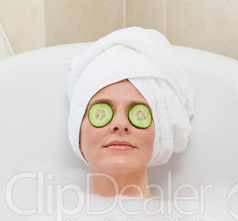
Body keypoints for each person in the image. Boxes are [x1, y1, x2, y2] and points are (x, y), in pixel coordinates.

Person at [68, 26, 194, 198]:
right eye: (101, 113)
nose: (120, 124)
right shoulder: (55, 219)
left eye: (138, 114)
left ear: (158, 136)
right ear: (78, 136)